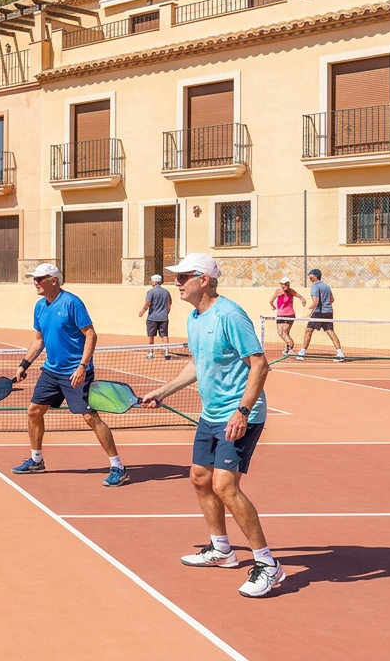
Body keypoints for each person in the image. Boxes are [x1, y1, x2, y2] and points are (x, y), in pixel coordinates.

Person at [140, 253, 284, 597]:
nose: (176, 282)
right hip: (211, 414)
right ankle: (222, 550)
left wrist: (242, 411)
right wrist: (162, 391)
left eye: (183, 276)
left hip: (239, 414)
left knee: (224, 486)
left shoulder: (229, 315)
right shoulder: (194, 316)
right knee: (200, 478)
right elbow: (197, 364)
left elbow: (260, 365)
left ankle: (268, 564)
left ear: (203, 279)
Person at [11, 264, 129, 487]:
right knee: (34, 411)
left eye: (39, 278)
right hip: (51, 371)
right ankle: (37, 460)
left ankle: (118, 467)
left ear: (53, 280)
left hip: (76, 371)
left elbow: (91, 335)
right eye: (34, 279)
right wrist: (24, 365)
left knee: (90, 417)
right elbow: (39, 340)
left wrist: (83, 366)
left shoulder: (71, 303)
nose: (35, 282)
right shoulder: (39, 307)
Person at [297, 269, 343, 362]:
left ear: (315, 277)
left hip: (319, 312)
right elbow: (332, 299)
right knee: (330, 331)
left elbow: (315, 302)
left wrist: (307, 311)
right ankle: (340, 352)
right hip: (328, 312)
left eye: (311, 276)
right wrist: (326, 304)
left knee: (308, 330)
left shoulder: (315, 287)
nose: (309, 278)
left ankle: (302, 352)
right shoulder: (326, 286)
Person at [138, 274, 173, 360]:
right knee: (164, 335)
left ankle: (150, 352)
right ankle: (166, 352)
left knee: (151, 335)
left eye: (152, 281)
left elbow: (148, 303)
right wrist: (166, 312)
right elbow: (169, 303)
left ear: (154, 282)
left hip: (152, 318)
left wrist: (142, 311)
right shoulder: (166, 292)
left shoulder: (151, 292)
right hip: (163, 318)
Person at [269, 277, 306, 356]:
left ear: (288, 284)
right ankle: (288, 347)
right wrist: (273, 306)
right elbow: (271, 301)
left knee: (285, 332)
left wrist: (303, 300)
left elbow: (300, 297)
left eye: (286, 284)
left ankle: (290, 346)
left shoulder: (291, 291)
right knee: (280, 333)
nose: (284, 286)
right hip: (280, 315)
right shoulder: (278, 291)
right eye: (282, 285)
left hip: (290, 315)